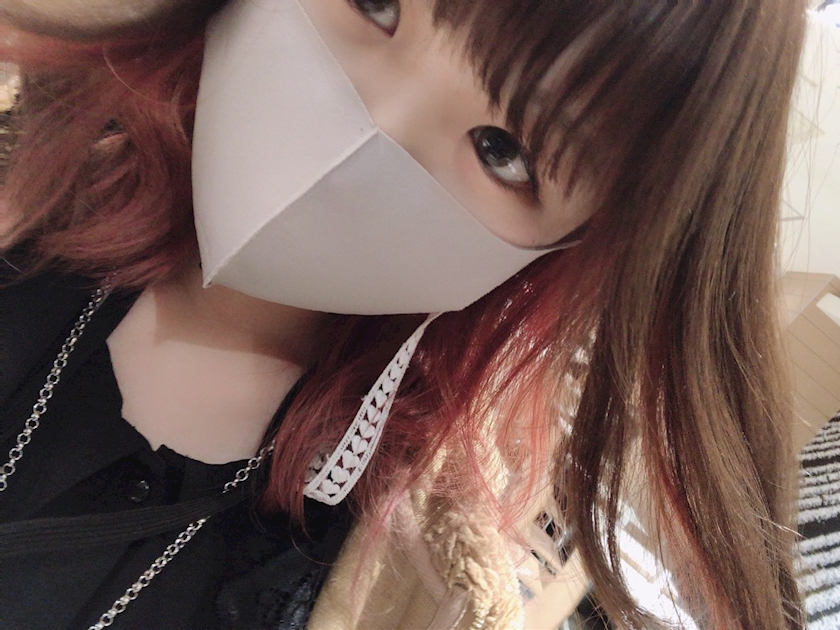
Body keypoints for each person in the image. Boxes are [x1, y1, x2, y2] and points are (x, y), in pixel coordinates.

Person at [0, 0, 807, 628]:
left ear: (568, 247)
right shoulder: (33, 145)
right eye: (376, 2)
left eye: (502, 151)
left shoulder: (394, 584)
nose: (376, 124)